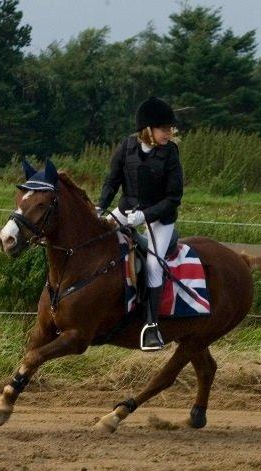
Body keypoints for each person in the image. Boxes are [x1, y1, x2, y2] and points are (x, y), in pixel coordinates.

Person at [96, 96, 184, 351]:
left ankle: (151, 325)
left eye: (170, 129)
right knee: (98, 239)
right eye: (164, 128)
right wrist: (101, 206)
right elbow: (112, 181)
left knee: (155, 265)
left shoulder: (170, 153)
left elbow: (174, 197)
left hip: (160, 219)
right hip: (125, 210)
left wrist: (145, 216)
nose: (169, 133)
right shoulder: (126, 147)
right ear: (148, 129)